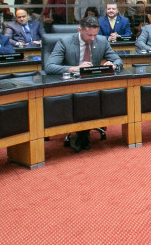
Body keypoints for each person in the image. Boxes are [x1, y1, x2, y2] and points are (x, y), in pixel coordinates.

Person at [44, 17, 121, 151]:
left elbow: (118, 60)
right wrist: (75, 68)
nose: (92, 39)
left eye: (95, 35)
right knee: (84, 97)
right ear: (80, 30)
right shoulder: (65, 42)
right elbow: (49, 67)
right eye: (89, 35)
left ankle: (82, 135)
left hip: (93, 83)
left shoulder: (101, 41)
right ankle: (83, 135)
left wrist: (113, 64)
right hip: (71, 84)